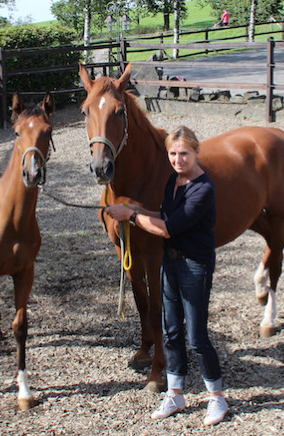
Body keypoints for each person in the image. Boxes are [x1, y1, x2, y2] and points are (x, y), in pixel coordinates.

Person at [105, 126, 228, 426]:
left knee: (197, 337)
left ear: (197, 153)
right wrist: (136, 208)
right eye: (172, 154)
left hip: (195, 266)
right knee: (171, 331)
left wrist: (132, 216)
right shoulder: (174, 182)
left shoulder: (203, 188)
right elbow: (165, 216)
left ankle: (217, 398)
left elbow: (169, 229)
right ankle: (175, 392)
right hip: (170, 265)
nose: (177, 159)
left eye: (184, 153)